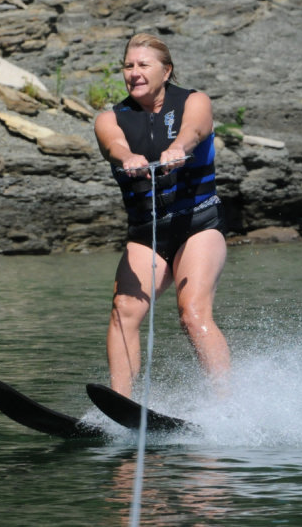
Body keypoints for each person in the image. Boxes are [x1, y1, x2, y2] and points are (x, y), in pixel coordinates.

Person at [93, 33, 230, 398]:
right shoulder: (111, 118)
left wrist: (178, 148)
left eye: (143, 65)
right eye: (128, 66)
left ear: (166, 71)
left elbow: (195, 129)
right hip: (147, 233)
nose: (134, 73)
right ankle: (122, 404)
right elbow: (113, 144)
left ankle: (227, 402)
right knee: (124, 310)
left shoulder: (193, 101)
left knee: (192, 313)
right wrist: (127, 158)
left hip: (197, 225)